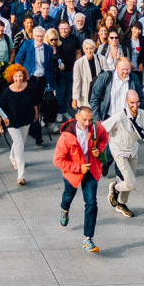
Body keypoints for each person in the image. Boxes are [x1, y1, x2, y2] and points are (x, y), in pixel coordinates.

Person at [54, 105, 108, 253]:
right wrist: (78, 168)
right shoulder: (66, 136)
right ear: (76, 117)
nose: (87, 124)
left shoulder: (96, 128)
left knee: (91, 203)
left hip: (91, 169)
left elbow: (104, 137)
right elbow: (58, 160)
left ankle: (87, 239)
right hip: (73, 172)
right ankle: (65, 209)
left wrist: (99, 150)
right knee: (68, 195)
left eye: (89, 120)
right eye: (84, 120)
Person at [104, 89, 144, 218]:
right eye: (132, 102)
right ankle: (114, 187)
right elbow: (102, 128)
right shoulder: (119, 116)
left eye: (137, 102)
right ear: (126, 101)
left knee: (129, 180)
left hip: (133, 150)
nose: (135, 106)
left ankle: (121, 204)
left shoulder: (143, 114)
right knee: (131, 183)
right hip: (119, 150)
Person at [0, 65, 37, 185]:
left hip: (26, 118)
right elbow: (0, 108)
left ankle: (12, 156)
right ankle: (21, 175)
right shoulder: (8, 91)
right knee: (20, 144)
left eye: (20, 76)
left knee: (21, 141)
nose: (19, 78)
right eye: (16, 76)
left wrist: (36, 113)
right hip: (11, 121)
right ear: (12, 77)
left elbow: (35, 101)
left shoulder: (30, 87)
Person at [88, 56, 142, 123]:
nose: (125, 72)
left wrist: (140, 117)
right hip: (108, 118)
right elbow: (94, 98)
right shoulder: (105, 77)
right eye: (123, 69)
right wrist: (96, 117)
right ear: (116, 67)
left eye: (128, 69)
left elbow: (140, 98)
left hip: (127, 119)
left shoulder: (134, 78)